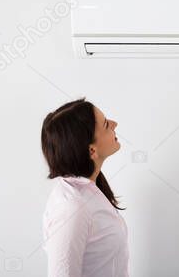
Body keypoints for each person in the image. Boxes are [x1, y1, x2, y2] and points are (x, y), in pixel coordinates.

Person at [41, 98, 129, 277]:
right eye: (106, 124)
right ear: (91, 151)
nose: (114, 124)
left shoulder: (89, 190)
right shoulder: (72, 209)